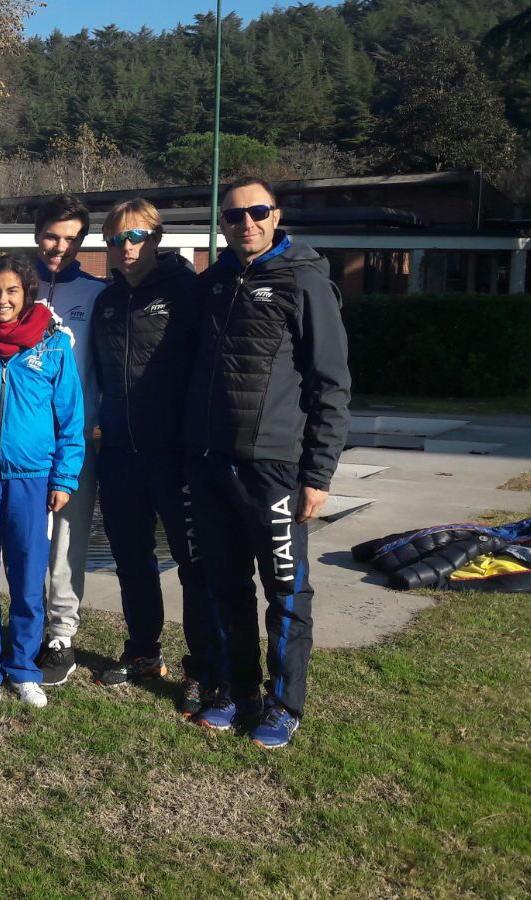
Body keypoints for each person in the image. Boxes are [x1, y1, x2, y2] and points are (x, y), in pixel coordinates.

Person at [187, 178, 351, 749]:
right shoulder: (214, 282)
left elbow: (331, 384)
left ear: (276, 215)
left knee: (285, 589)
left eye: (257, 212)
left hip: (276, 468)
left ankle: (284, 705)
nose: (246, 223)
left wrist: (319, 474)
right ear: (223, 223)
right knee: (226, 584)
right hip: (212, 463)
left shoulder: (305, 281)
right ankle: (239, 690)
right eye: (234, 216)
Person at [88, 200, 219, 717]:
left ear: (156, 237)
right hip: (120, 451)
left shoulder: (188, 291)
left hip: (175, 454)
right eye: (116, 239)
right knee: (131, 561)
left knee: (192, 566)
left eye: (136, 236)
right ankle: (143, 651)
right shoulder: (107, 300)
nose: (126, 247)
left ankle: (203, 668)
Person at [0, 253, 84, 708]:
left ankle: (24, 665)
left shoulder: (52, 343)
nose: (1, 300)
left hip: (32, 477)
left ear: (27, 293)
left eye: (11, 291)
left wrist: (64, 476)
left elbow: (71, 418)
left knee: (28, 576)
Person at [30, 195, 108, 685]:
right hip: (17, 440)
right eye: (52, 236)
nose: (59, 247)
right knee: (19, 540)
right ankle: (23, 622)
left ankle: (60, 633)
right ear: (37, 234)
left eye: (70, 238)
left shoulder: (97, 294)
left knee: (66, 541)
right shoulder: (13, 283)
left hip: (74, 441)